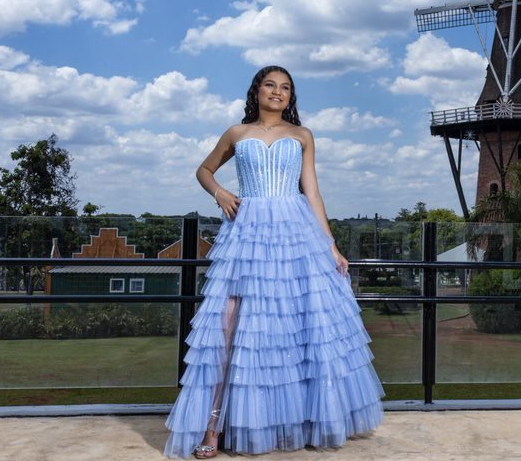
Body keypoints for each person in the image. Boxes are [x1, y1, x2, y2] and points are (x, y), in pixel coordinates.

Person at [164, 66, 384, 458]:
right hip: (246, 235)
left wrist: (331, 246)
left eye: (285, 87)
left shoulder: (302, 136)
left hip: (295, 236)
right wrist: (219, 193)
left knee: (297, 329)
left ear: (291, 96)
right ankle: (212, 428)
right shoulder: (237, 133)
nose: (277, 92)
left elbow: (312, 193)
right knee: (229, 328)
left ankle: (299, 422)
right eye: (270, 85)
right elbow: (203, 169)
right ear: (257, 90)